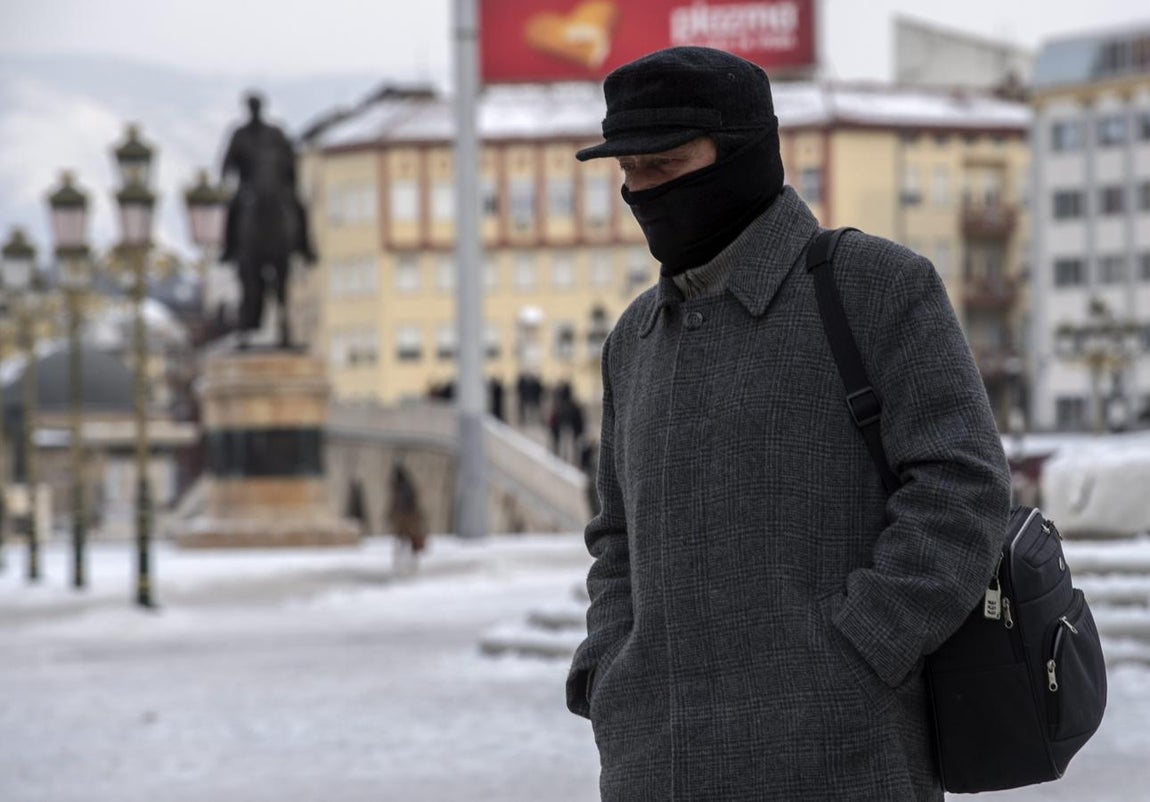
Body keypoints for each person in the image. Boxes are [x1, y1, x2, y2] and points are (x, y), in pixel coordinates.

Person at [565, 47, 1010, 801]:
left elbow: (962, 488)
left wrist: (857, 653)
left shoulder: (878, 288)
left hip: (844, 763)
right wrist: (611, 672)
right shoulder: (632, 341)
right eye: (630, 171)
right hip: (657, 769)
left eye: (665, 166)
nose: (643, 191)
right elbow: (616, 541)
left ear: (741, 154)